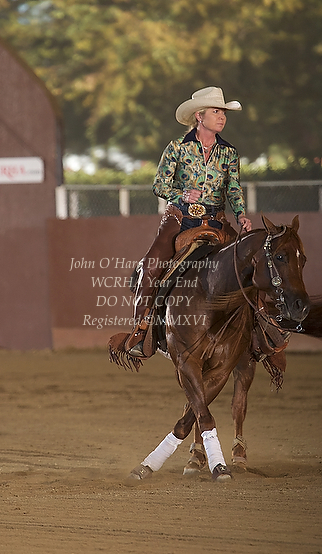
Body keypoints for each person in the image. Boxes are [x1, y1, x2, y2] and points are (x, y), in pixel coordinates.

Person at [116, 86, 252, 360]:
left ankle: (261, 336)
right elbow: (159, 185)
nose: (222, 117)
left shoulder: (229, 152)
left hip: (216, 220)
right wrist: (182, 195)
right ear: (199, 116)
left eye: (223, 112)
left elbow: (233, 188)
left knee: (249, 265)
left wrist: (241, 214)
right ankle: (141, 330)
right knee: (151, 266)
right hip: (179, 219)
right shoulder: (177, 147)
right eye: (216, 111)